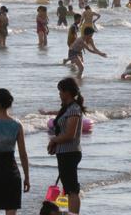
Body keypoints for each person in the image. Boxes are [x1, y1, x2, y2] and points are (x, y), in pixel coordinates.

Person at [47, 78, 85, 215]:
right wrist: (56, 143)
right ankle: (71, 212)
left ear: (67, 92)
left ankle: (73, 213)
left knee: (72, 188)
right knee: (68, 187)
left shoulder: (74, 109)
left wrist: (54, 141)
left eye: (61, 91)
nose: (59, 94)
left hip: (70, 152)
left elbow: (70, 134)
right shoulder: (66, 108)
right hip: (64, 152)